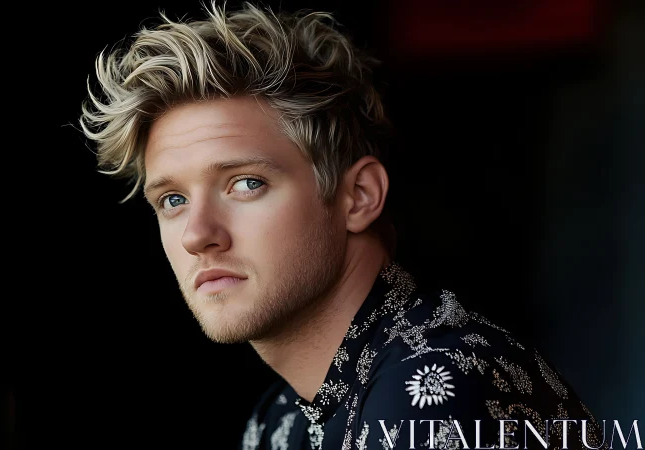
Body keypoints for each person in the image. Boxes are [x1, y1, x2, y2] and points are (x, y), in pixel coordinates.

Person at [78, 1, 606, 448]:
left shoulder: (435, 387)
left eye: (245, 183)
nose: (197, 234)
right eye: (172, 199)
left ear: (358, 196)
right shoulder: (280, 420)